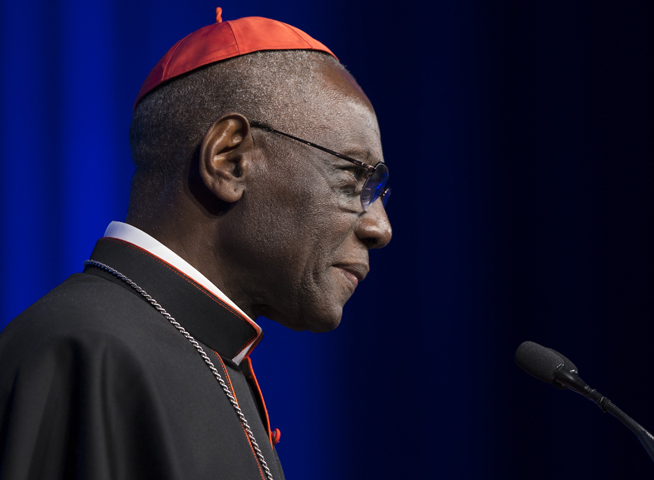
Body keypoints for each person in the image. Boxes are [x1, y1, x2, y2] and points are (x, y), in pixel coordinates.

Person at [0, 13, 391, 480]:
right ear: (230, 161)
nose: (380, 228)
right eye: (353, 180)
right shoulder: (85, 354)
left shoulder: (211, 356)